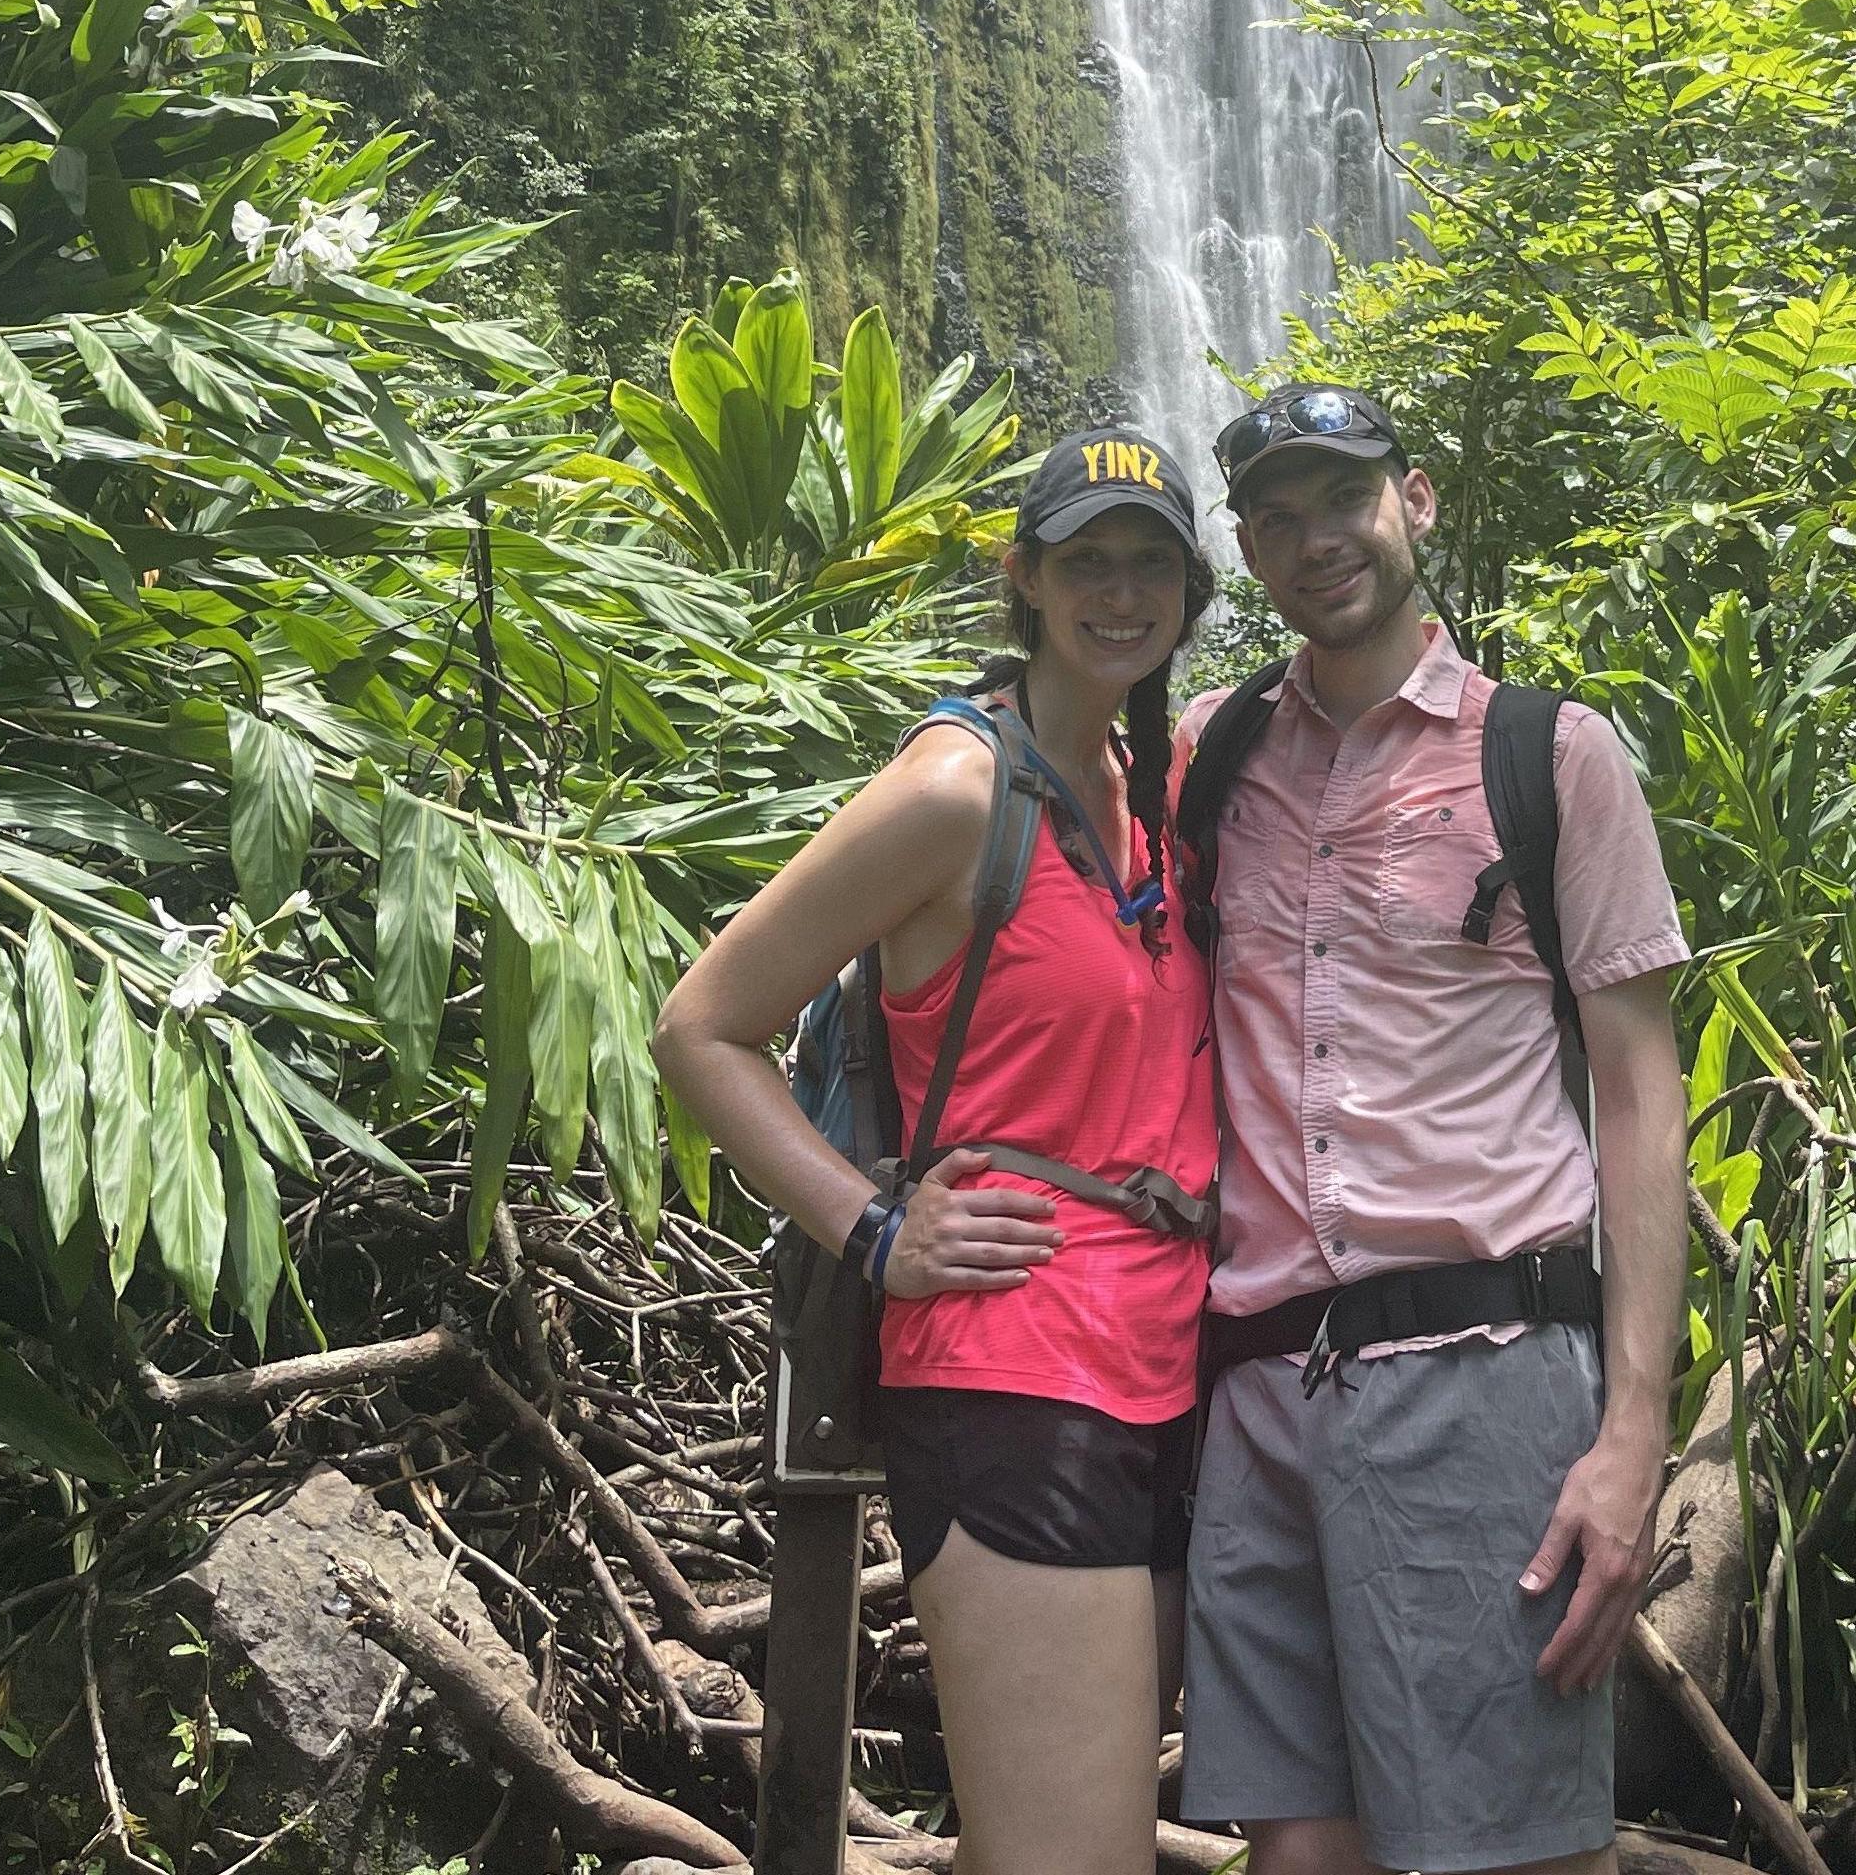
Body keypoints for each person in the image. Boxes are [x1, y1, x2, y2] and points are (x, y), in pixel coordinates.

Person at [652, 429, 1221, 1875]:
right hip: (1013, 1367)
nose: (1118, 590)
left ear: (1190, 585)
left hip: (1169, 1365)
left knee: (1048, 1841)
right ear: (1021, 578)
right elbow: (701, 1027)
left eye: (1148, 559)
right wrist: (876, 1229)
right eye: (1083, 559)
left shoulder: (1152, 777)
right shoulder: (954, 791)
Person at [1175, 382, 1691, 1875]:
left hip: (1480, 1373)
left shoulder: (1548, 755)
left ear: (1415, 500)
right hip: (1259, 1391)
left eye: (1339, 497)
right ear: (1250, 555)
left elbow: (1637, 1094)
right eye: (1273, 516)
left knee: (1518, 1857)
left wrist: (1631, 1435)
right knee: (1298, 1855)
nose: (1311, 537)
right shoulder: (1210, 757)